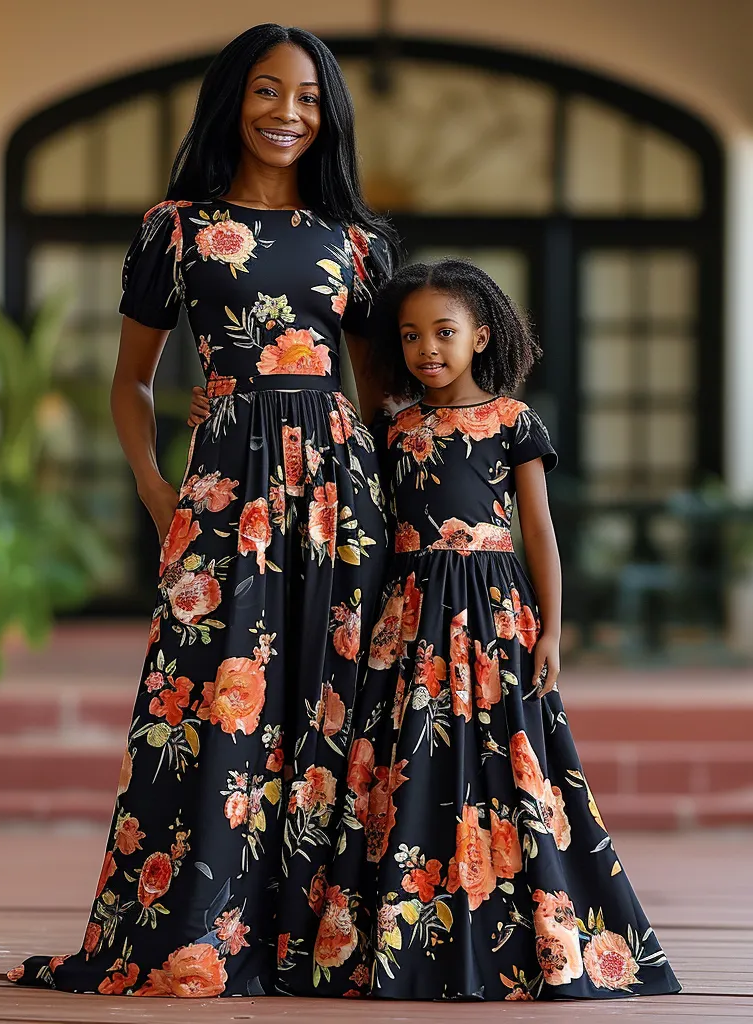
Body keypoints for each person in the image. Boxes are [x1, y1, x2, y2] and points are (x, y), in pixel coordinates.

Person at [7, 24, 397, 998]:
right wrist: (153, 488)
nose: (288, 115)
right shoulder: (173, 227)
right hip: (222, 488)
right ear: (233, 99)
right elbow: (131, 382)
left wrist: (413, 512)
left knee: (328, 701)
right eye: (268, 92)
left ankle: (322, 935)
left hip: (338, 493)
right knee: (204, 702)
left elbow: (383, 396)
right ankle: (197, 929)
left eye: (308, 99)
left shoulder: (355, 242)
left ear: (328, 116)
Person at [295, 258, 682, 999]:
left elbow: (539, 533)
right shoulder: (392, 427)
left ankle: (523, 936)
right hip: (408, 616)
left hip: (495, 616)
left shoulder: (512, 422)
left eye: (444, 332)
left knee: (511, 768)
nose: (426, 350)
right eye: (410, 336)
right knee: (406, 766)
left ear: (483, 335)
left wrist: (552, 632)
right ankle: (408, 943)